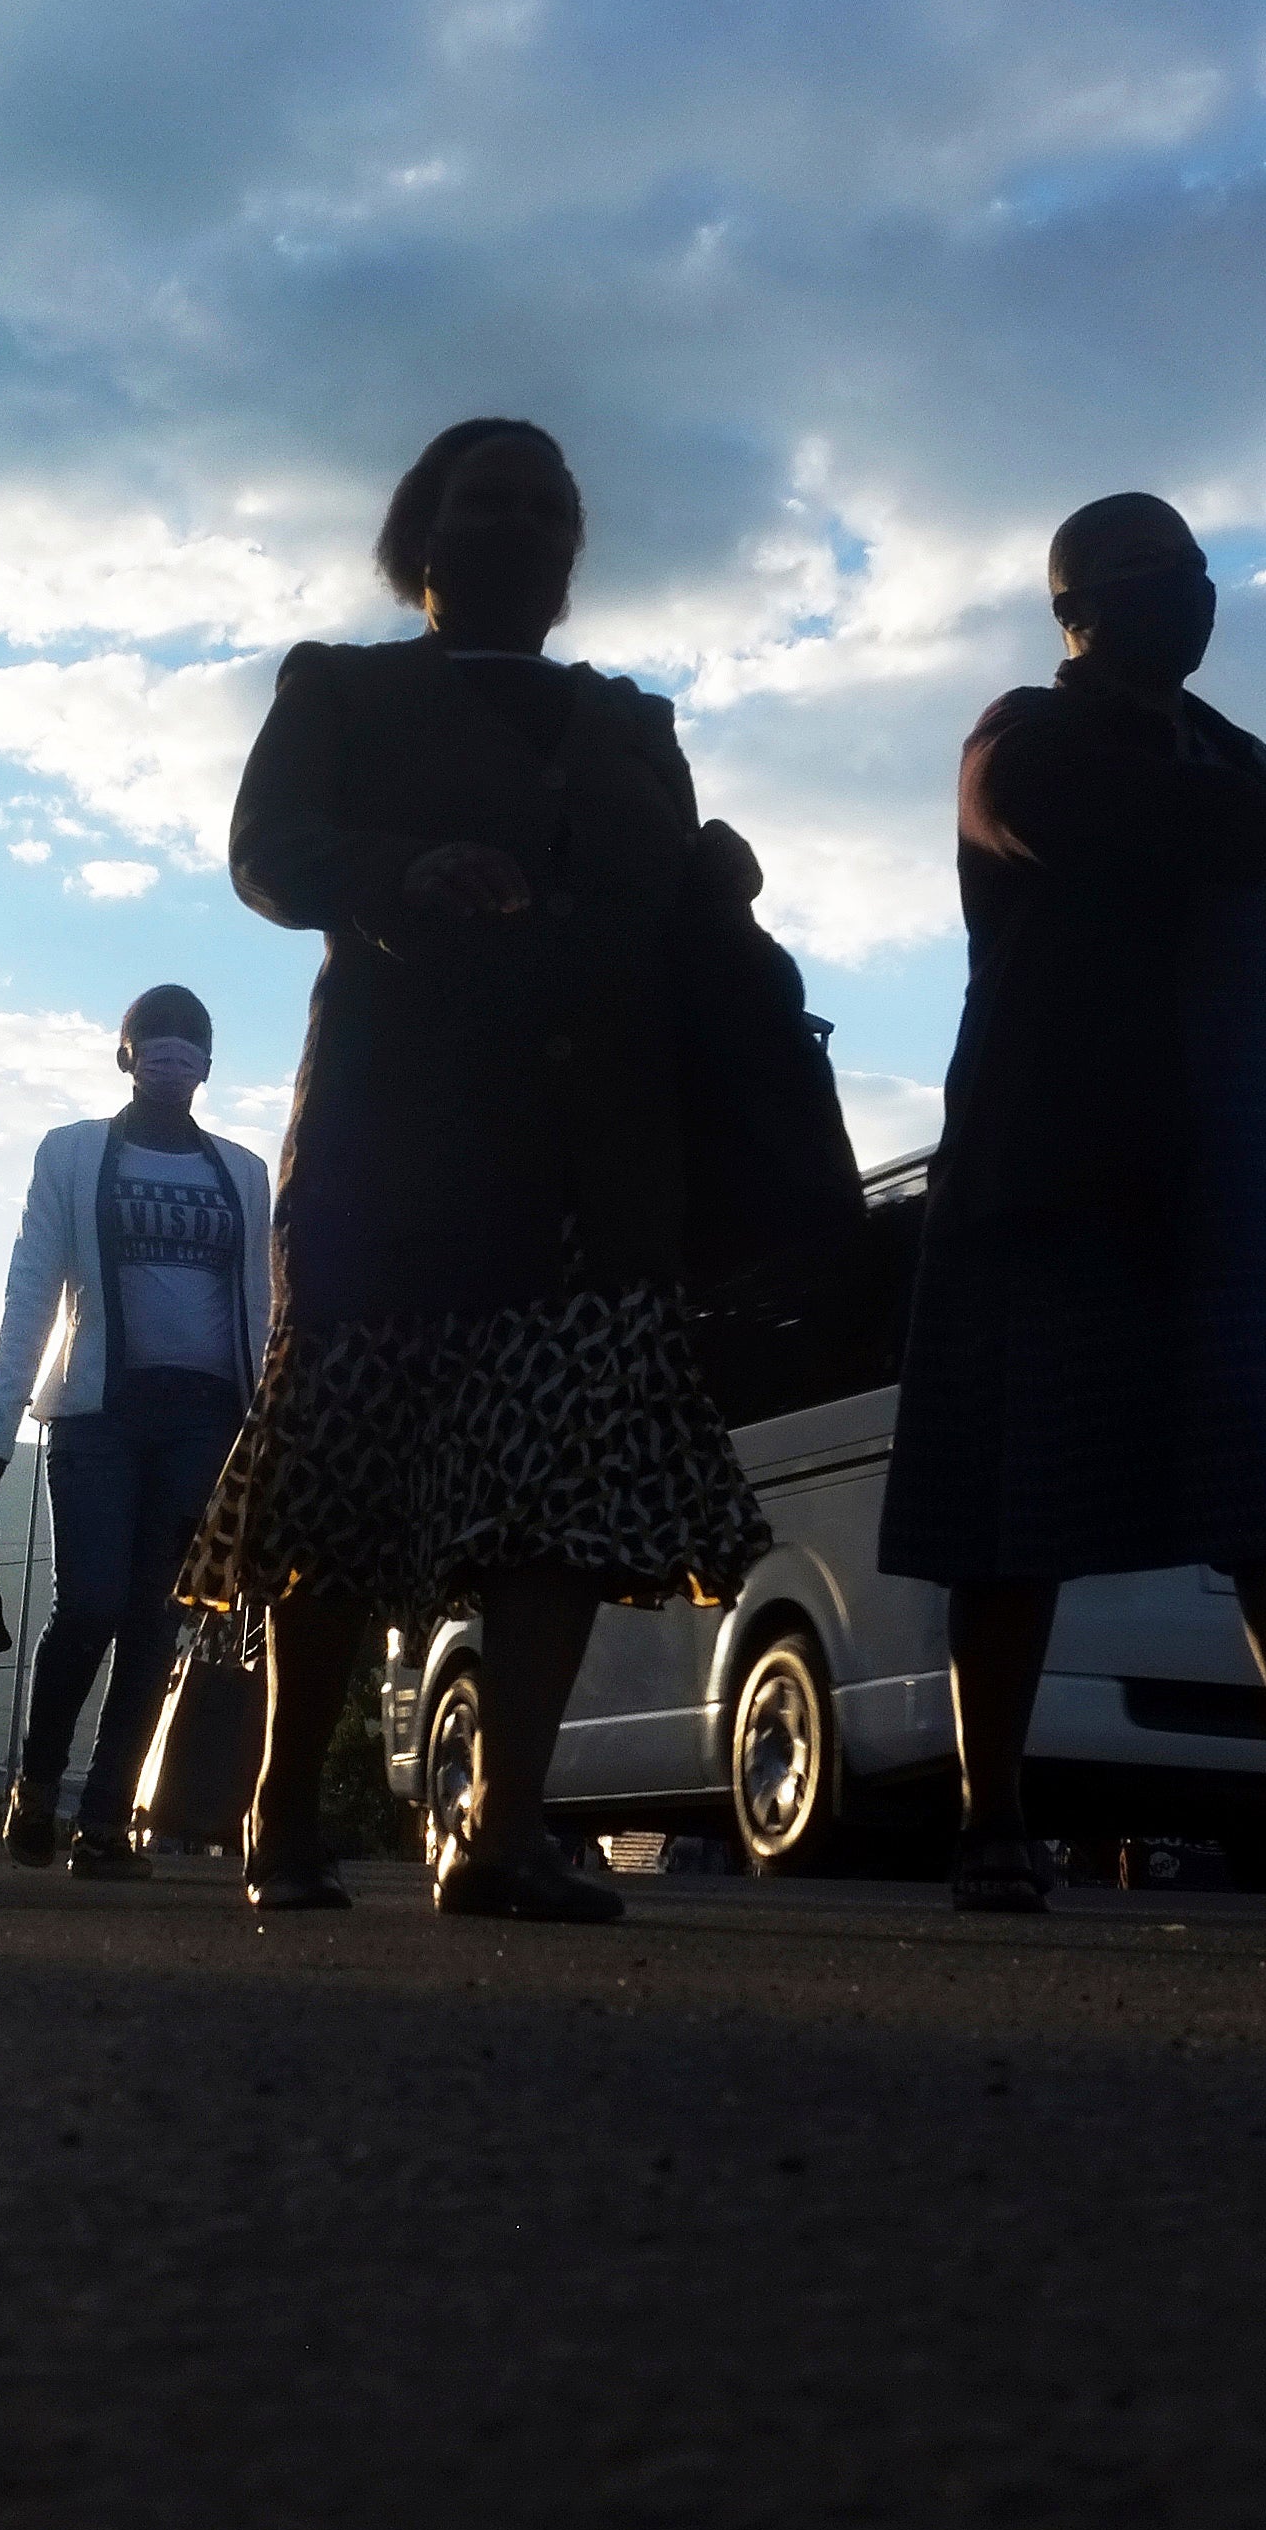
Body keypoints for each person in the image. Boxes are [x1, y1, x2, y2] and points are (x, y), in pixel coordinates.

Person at [184, 418, 773, 1922]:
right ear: (420, 544)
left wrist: (716, 891)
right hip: (398, 1143)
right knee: (342, 1476)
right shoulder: (345, 688)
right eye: (481, 503)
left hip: (594, 1161)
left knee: (557, 1486)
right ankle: (279, 1812)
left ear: (572, 555)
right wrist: (391, 875)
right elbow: (267, 846)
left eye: (541, 507)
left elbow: (662, 911)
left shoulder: (634, 727)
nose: (513, 525)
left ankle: (503, 1830)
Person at [877, 492, 1266, 1920]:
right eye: (1145, 569)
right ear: (1073, 603)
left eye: (1196, 568)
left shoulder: (1235, 752)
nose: (1183, 590)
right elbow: (1085, 824)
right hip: (1060, 1158)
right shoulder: (1022, 733)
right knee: (1019, 1495)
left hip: (1241, 1170)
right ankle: (994, 1820)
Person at [0, 983, 276, 1874]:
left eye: (191, 1043)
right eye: (159, 1039)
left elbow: (259, 1305)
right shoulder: (70, 1155)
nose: (174, 1053)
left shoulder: (242, 1173)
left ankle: (104, 1822)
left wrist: (264, 1432)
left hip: (206, 1420)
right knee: (91, 1603)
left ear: (209, 1066)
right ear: (125, 1053)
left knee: (155, 1621)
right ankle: (36, 1785)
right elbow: (33, 1287)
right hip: (99, 1413)